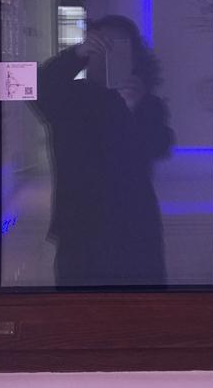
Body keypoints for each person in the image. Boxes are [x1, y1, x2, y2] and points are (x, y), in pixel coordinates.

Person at [34, 15, 174, 288]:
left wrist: (136, 110)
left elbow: (160, 146)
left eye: (119, 46)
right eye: (100, 45)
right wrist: (75, 55)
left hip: (134, 221)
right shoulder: (70, 98)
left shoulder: (147, 102)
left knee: (143, 304)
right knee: (80, 305)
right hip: (79, 222)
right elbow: (36, 88)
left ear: (134, 53)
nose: (108, 54)